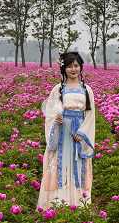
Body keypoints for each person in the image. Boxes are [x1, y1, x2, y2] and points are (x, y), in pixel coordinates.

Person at [37, 52, 95, 211]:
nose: (73, 69)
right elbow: (50, 113)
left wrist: (82, 133)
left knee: (77, 167)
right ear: (64, 69)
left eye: (76, 65)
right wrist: (56, 122)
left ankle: (78, 205)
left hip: (78, 137)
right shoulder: (58, 89)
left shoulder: (87, 90)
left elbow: (90, 116)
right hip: (62, 134)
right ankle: (59, 205)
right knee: (61, 168)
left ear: (81, 67)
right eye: (69, 66)